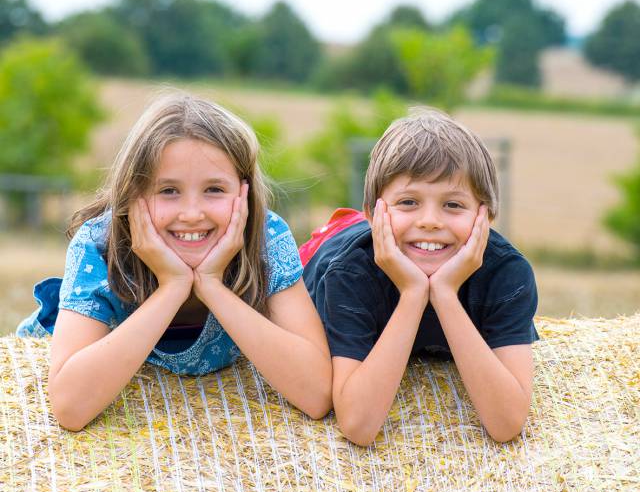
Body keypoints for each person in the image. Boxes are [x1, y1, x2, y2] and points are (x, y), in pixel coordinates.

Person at [18, 93, 332, 430]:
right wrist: (173, 288)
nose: (192, 214)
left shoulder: (266, 239)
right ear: (133, 194)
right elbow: (70, 408)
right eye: (168, 191)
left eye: (214, 189)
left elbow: (316, 395)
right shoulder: (99, 245)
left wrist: (212, 285)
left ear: (244, 194)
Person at [301, 108, 538, 446]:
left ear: (485, 216)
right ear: (375, 214)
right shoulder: (349, 274)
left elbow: (506, 424)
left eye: (453, 205)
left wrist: (444, 293)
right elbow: (357, 425)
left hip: (402, 242)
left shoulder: (506, 274)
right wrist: (413, 293)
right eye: (409, 202)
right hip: (330, 249)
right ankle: (350, 222)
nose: (430, 220)